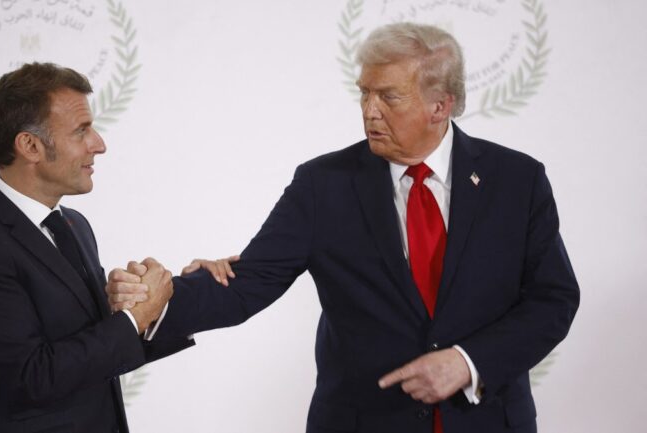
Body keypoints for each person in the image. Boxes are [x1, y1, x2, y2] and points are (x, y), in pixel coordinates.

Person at [108, 23, 580, 433]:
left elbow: (553, 299)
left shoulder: (517, 180)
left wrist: (468, 362)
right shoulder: (323, 184)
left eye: (388, 96)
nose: (369, 110)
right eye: (364, 93)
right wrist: (156, 300)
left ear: (440, 106)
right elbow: (249, 283)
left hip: (487, 421)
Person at [0, 63, 193, 433]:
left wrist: (168, 296)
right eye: (81, 130)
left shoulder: (73, 225)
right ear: (30, 146)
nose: (99, 144)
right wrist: (134, 319)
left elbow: (90, 348)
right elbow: (33, 377)